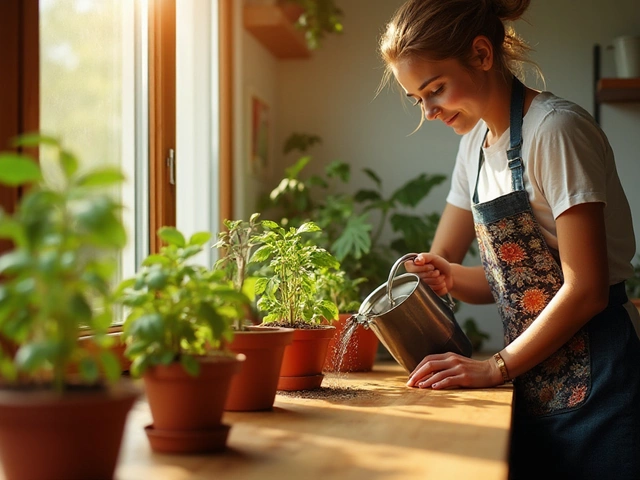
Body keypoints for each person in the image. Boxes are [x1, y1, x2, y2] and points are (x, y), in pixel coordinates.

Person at [378, 1, 640, 479]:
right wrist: (446, 276)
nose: (430, 111)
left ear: (481, 54)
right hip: (532, 379)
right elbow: (508, 284)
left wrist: (494, 367)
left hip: (601, 378)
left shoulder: (556, 131)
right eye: (418, 98)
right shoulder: (473, 149)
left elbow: (586, 289)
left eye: (435, 89)